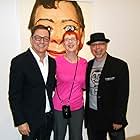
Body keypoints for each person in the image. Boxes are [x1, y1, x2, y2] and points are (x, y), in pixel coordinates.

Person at [8, 25, 56, 140]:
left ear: (49, 41)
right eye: (38, 38)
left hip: (48, 118)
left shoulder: (52, 62)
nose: (42, 41)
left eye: (45, 38)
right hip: (29, 121)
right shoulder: (19, 62)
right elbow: (14, 95)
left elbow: (50, 86)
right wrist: (20, 121)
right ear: (31, 39)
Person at [85, 32, 129, 140]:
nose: (97, 48)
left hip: (112, 117)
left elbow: (123, 95)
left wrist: (119, 119)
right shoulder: (88, 65)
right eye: (94, 45)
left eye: (101, 44)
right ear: (90, 47)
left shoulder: (119, 66)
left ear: (106, 45)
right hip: (93, 116)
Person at [53, 31, 87, 140]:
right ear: (63, 44)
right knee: (59, 137)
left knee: (77, 137)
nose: (70, 42)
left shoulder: (84, 63)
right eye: (67, 39)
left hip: (78, 107)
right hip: (59, 107)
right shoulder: (56, 62)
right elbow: (50, 83)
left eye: (72, 39)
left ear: (78, 42)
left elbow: (85, 85)